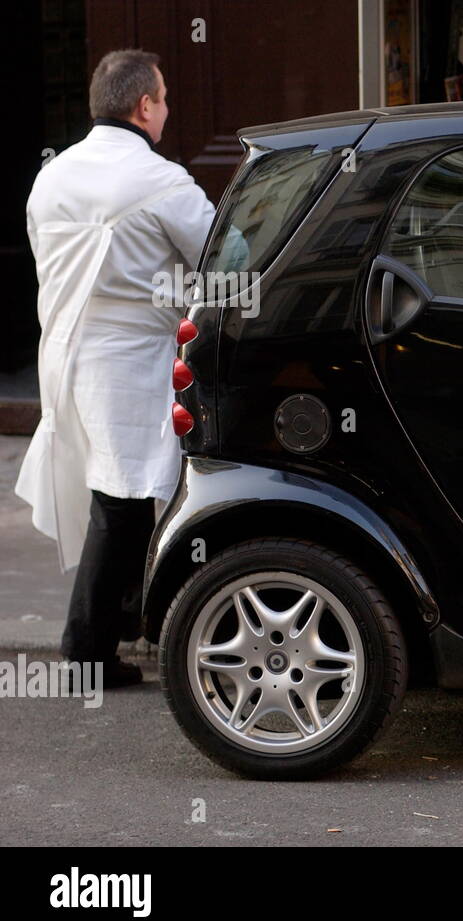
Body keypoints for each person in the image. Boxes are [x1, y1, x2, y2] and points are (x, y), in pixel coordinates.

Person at [18, 50, 216, 687]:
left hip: (66, 358)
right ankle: (87, 653)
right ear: (144, 107)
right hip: (131, 361)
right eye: (163, 98)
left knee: (116, 495)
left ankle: (118, 631)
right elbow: (222, 253)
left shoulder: (51, 178)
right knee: (123, 500)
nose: (167, 110)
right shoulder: (160, 179)